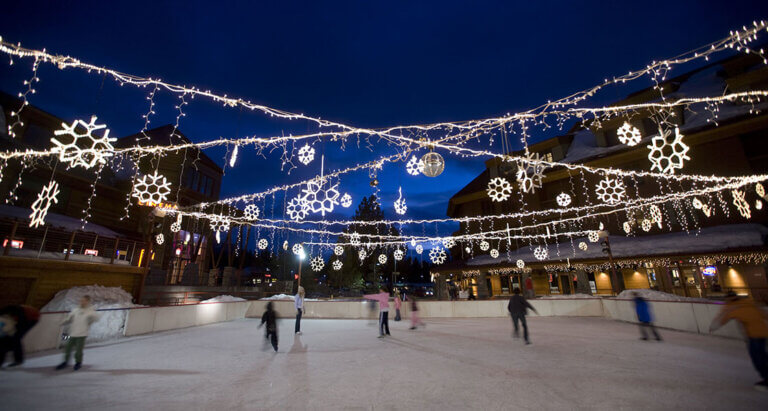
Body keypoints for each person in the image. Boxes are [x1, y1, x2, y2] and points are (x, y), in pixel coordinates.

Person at [710, 291, 768, 390]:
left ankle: (767, 379)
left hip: (754, 336)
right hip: (763, 333)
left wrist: (713, 327)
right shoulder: (749, 303)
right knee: (763, 356)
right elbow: (764, 314)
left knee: (758, 358)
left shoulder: (731, 307)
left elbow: (722, 319)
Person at [56, 295, 100, 371]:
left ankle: (78, 363)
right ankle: (65, 362)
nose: (82, 302)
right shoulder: (76, 310)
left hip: (82, 334)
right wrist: (62, 322)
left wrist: (91, 320)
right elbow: (69, 318)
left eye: (84, 301)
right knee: (68, 348)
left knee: (78, 350)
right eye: (81, 300)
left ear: (88, 302)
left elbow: (96, 318)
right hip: (73, 333)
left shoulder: (90, 311)